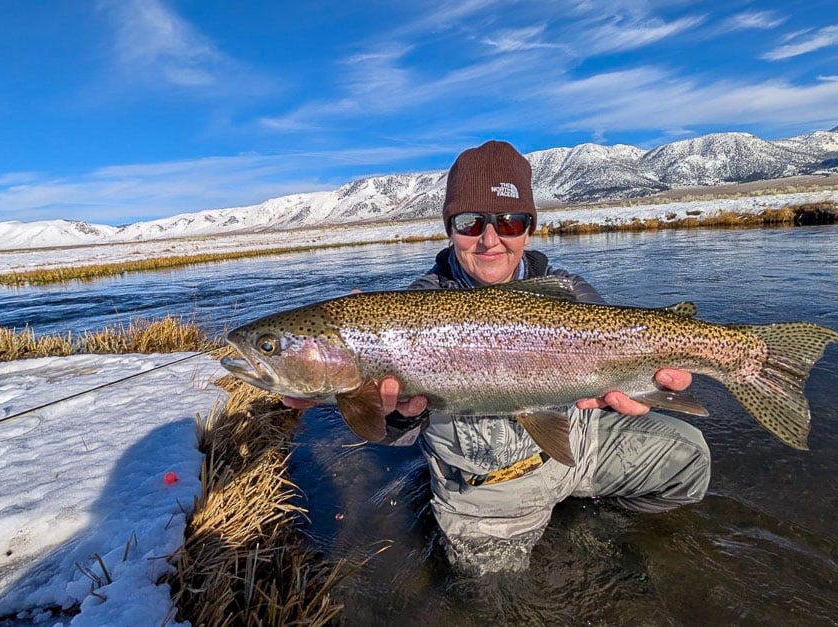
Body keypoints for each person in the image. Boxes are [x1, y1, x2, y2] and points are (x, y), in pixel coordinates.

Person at [284, 140, 711, 575]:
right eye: (471, 223)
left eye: (509, 222)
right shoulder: (413, 308)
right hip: (485, 491)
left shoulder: (566, 289)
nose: (490, 240)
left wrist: (643, 388)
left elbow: (617, 367)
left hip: (576, 447)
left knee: (690, 458)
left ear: (528, 227)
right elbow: (393, 433)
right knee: (494, 598)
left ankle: (602, 523)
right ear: (450, 227)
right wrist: (400, 417)